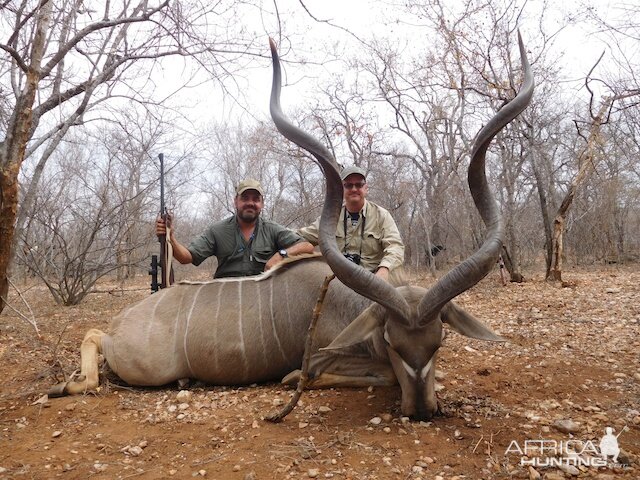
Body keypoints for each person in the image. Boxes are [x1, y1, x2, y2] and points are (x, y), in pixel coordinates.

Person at [156, 179, 315, 279]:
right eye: (245, 198)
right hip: (226, 297)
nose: (250, 203)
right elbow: (187, 257)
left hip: (263, 295)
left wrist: (281, 255)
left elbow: (307, 246)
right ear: (235, 202)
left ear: (262, 204)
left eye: (255, 199)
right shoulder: (218, 231)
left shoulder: (272, 229)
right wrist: (170, 236)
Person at [298, 166, 404, 281]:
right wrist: (277, 234)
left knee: (398, 276)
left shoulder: (382, 215)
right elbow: (301, 236)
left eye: (359, 185)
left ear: (366, 188)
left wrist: (384, 269)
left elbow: (395, 247)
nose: (354, 189)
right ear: (342, 189)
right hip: (339, 282)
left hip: (373, 281)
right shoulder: (330, 217)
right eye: (348, 185)